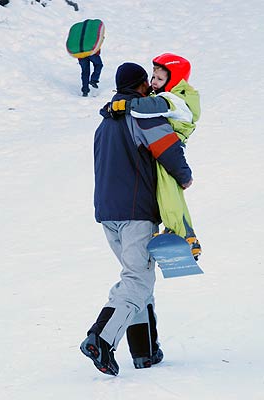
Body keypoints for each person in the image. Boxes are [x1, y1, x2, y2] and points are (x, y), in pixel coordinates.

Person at [79, 62, 193, 376]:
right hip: (135, 212)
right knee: (137, 280)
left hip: (108, 213)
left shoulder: (104, 123)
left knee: (137, 279)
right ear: (142, 85)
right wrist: (183, 176)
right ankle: (100, 338)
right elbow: (168, 149)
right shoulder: (141, 116)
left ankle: (145, 352)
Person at [111, 53, 201, 259]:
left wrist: (124, 105)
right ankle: (173, 228)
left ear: (175, 81)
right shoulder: (167, 95)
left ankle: (186, 235)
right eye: (153, 78)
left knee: (169, 192)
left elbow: (149, 108)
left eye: (160, 79)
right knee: (165, 192)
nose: (153, 83)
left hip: (172, 144)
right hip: (166, 143)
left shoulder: (174, 98)